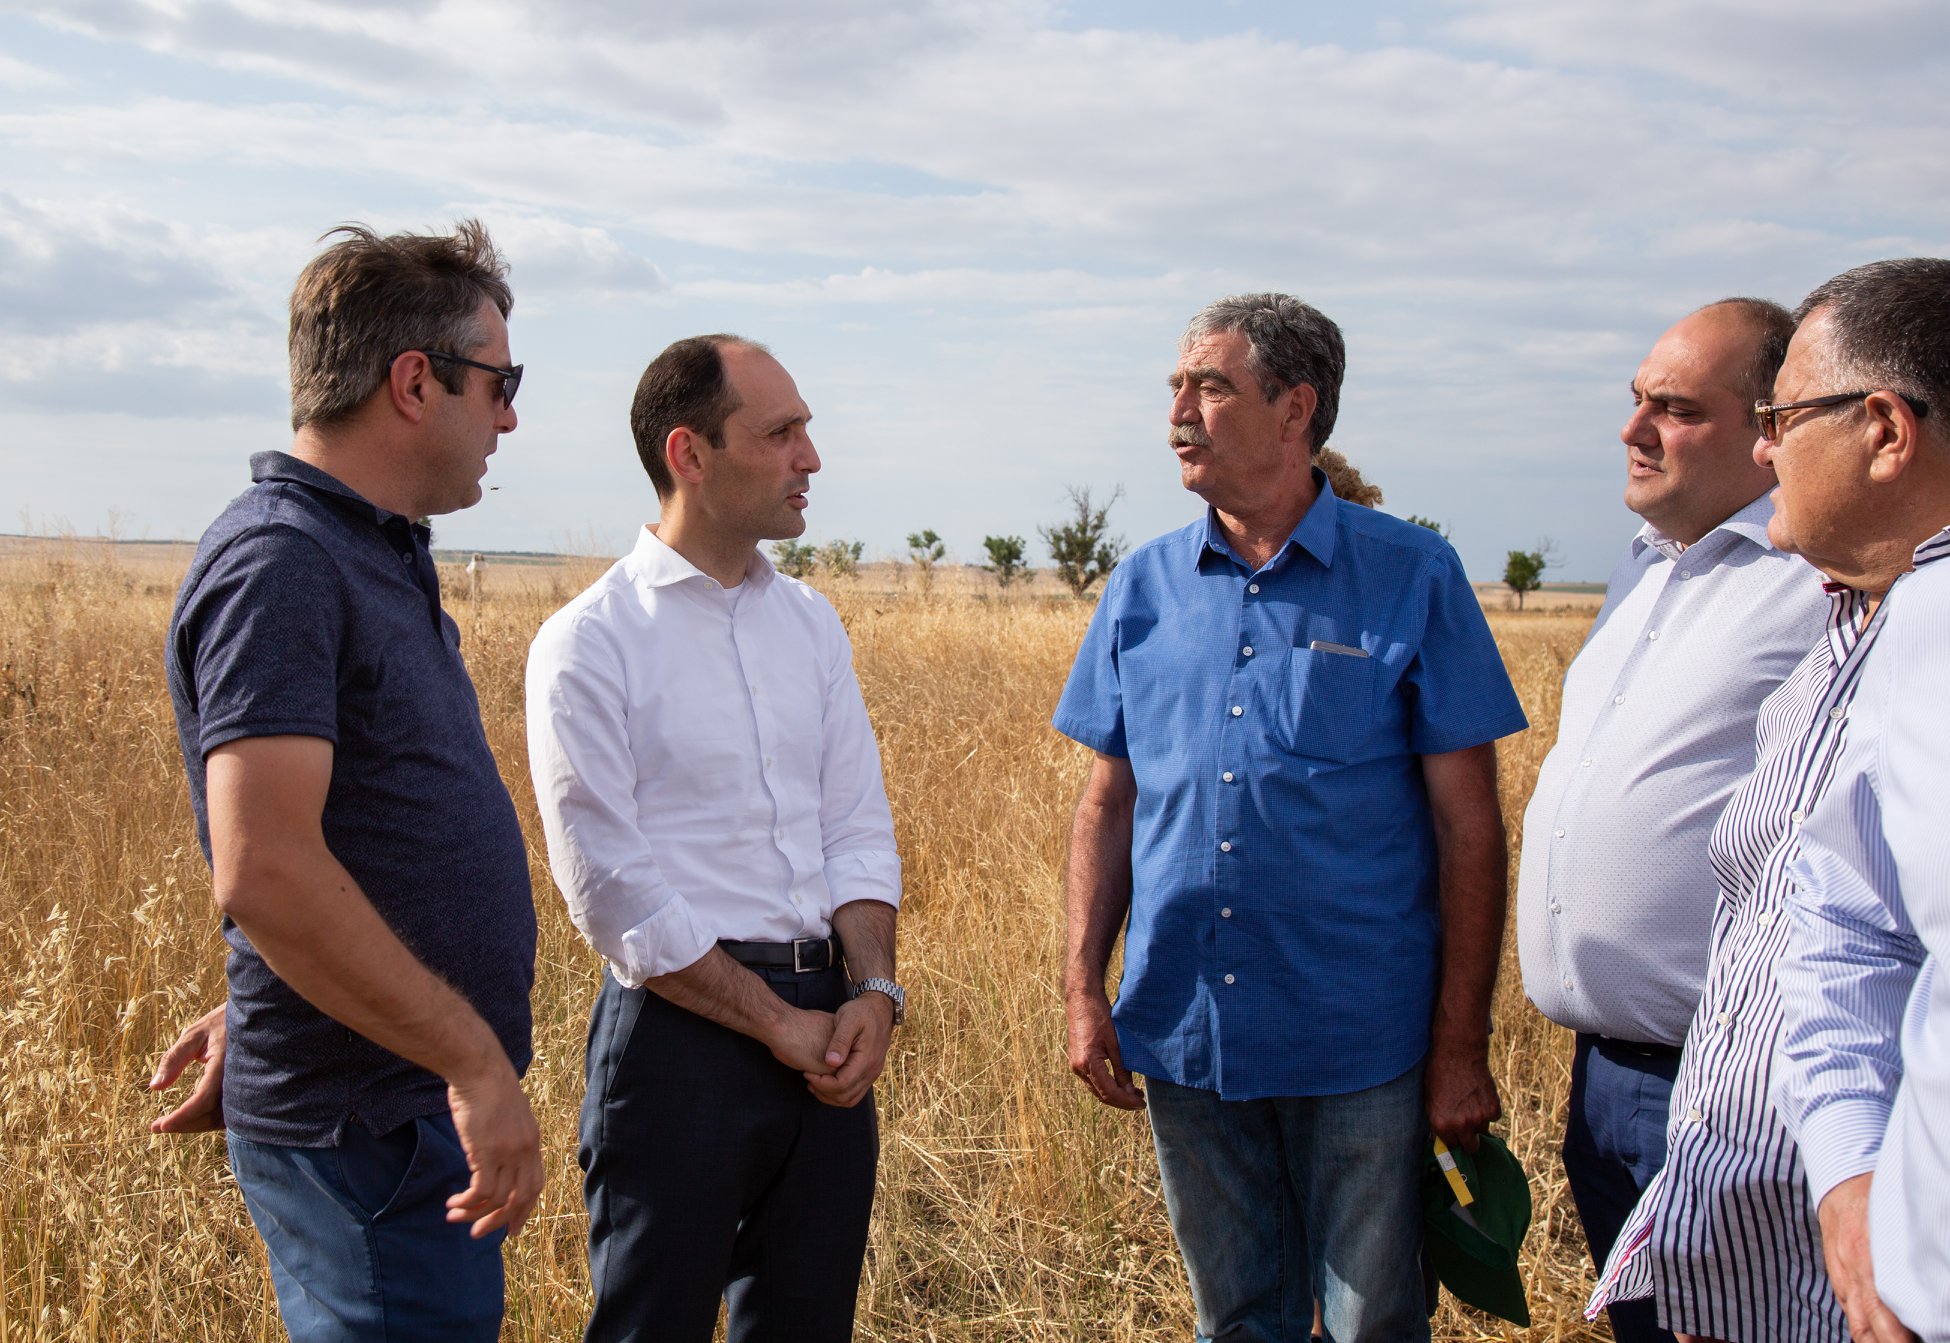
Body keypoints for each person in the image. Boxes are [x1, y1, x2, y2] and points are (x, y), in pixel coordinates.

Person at [1053, 293, 1528, 1342]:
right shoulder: (1142, 586)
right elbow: (1109, 801)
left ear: (1294, 409)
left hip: (1359, 1037)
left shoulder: (1412, 575)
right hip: (1186, 1029)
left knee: (1370, 1322)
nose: (1179, 411)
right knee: (1236, 1319)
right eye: (1177, 386)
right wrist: (1085, 988)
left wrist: (1460, 1044)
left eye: (1209, 387)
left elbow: (1470, 829)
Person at [148, 221, 542, 1341]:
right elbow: (266, 869)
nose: (509, 418)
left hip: (395, 1110)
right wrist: (472, 1062)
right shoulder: (283, 562)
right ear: (415, 382)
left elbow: (327, 850)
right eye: (500, 382)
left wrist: (272, 988)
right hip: (373, 1128)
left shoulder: (367, 548)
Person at [525, 334, 904, 1343]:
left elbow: (856, 829)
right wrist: (776, 1022)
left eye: (806, 430)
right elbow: (612, 892)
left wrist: (875, 991)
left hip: (830, 1036)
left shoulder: (812, 624)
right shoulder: (588, 642)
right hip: (679, 1042)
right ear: (689, 453)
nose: (810, 458)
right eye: (780, 433)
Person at [1515, 298, 1827, 1343]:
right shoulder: (1645, 565)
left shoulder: (1818, 577)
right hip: (1605, 1076)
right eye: (1637, 399)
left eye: (1677, 408)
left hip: (1726, 1086)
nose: (1634, 427)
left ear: (1771, 427)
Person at [1770, 257, 1950, 1343]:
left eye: (1782, 417)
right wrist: (1848, 1170)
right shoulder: (1917, 624)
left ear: (1884, 428)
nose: (1766, 450)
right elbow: (1851, 925)